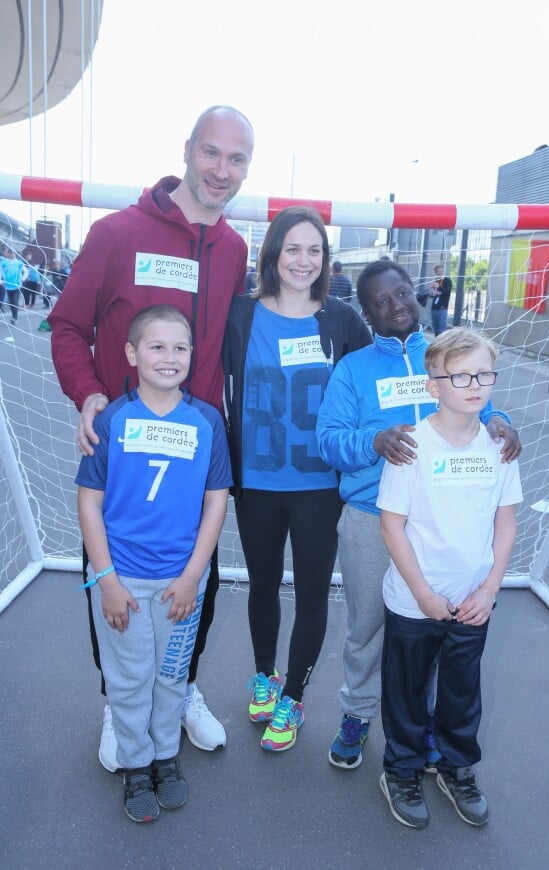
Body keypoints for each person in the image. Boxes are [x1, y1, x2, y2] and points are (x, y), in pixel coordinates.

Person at [48, 105, 255, 771]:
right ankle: (120, 701)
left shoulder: (234, 249)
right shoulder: (117, 233)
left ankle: (180, 688)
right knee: (113, 583)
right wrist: (88, 394)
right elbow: (66, 327)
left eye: (237, 159)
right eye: (212, 154)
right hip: (127, 456)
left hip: (196, 449)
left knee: (198, 582)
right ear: (187, 151)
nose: (222, 171)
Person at [316, 258, 521, 771]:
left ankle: (423, 722)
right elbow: (329, 441)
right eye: (380, 302)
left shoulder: (443, 355)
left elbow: (477, 396)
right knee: (367, 627)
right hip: (371, 517)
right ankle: (358, 715)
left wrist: (502, 422)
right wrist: (374, 440)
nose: (395, 307)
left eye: (401, 294)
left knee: (433, 629)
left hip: (439, 522)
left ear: (416, 292)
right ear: (366, 313)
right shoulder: (354, 369)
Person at [222, 206, 371, 752]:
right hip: (256, 482)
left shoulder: (342, 320)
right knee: (261, 585)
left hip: (318, 487)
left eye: (315, 250)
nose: (303, 260)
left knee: (312, 593)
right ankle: (266, 674)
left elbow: (376, 379)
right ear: (273, 254)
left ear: (326, 260)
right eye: (293, 249)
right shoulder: (239, 315)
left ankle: (295, 697)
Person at [76, 305, 231, 822]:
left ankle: (166, 756)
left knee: (171, 676)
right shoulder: (113, 419)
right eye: (157, 346)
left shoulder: (207, 420)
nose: (169, 357)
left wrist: (193, 576)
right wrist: (106, 580)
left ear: (192, 354)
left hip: (179, 582)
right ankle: (135, 764)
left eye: (180, 347)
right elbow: (89, 503)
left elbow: (216, 501)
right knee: (127, 677)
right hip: (123, 578)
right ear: (132, 353)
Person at [377, 326, 522, 829]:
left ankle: (456, 767)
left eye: (483, 372)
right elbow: (391, 525)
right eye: (460, 375)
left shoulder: (499, 446)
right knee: (407, 693)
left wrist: (489, 589)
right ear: (434, 386)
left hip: (473, 602)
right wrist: (422, 593)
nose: (474, 383)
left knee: (462, 693)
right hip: (414, 602)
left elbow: (506, 521)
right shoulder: (411, 446)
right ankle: (401, 769)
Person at [0, 248, 27, 325]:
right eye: (11, 253)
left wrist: (23, 278)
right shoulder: (4, 263)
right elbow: (0, 272)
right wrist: (1, 281)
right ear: (8, 254)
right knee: (11, 302)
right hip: (8, 286)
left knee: (15, 301)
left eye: (14, 253)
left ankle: (15, 318)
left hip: (17, 285)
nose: (12, 255)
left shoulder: (19, 263)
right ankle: (13, 316)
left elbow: (25, 271)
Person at [428, 263, 453, 336]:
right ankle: (437, 346)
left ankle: (442, 346)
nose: (440, 273)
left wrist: (438, 287)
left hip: (442, 308)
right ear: (436, 272)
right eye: (438, 271)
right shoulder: (435, 281)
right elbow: (432, 295)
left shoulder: (447, 280)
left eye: (442, 271)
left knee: (441, 330)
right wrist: (432, 293)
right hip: (434, 308)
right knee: (435, 329)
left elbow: (447, 292)